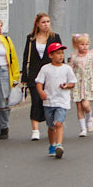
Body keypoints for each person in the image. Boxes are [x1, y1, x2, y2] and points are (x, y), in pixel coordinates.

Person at [22, 12, 61, 141]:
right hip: (34, 73)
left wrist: (62, 73)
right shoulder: (31, 38)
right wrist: (24, 77)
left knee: (51, 101)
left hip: (51, 73)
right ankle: (35, 130)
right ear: (37, 24)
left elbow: (60, 55)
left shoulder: (54, 37)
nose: (46, 24)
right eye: (43, 22)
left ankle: (53, 125)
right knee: (36, 101)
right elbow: (26, 57)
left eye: (48, 22)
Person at [35, 41, 76, 159]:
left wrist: (67, 86)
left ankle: (59, 145)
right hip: (49, 101)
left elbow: (72, 83)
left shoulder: (67, 69)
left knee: (58, 123)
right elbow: (39, 82)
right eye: (58, 53)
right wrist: (41, 92)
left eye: (62, 53)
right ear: (50, 55)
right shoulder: (45, 69)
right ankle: (52, 145)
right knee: (51, 126)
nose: (61, 55)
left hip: (62, 101)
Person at [69, 33, 93, 137]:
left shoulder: (91, 56)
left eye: (87, 44)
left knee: (86, 105)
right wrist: (69, 82)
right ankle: (83, 128)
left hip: (88, 83)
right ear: (77, 45)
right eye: (82, 44)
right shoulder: (74, 58)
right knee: (79, 106)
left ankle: (89, 118)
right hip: (78, 84)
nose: (85, 46)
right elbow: (70, 71)